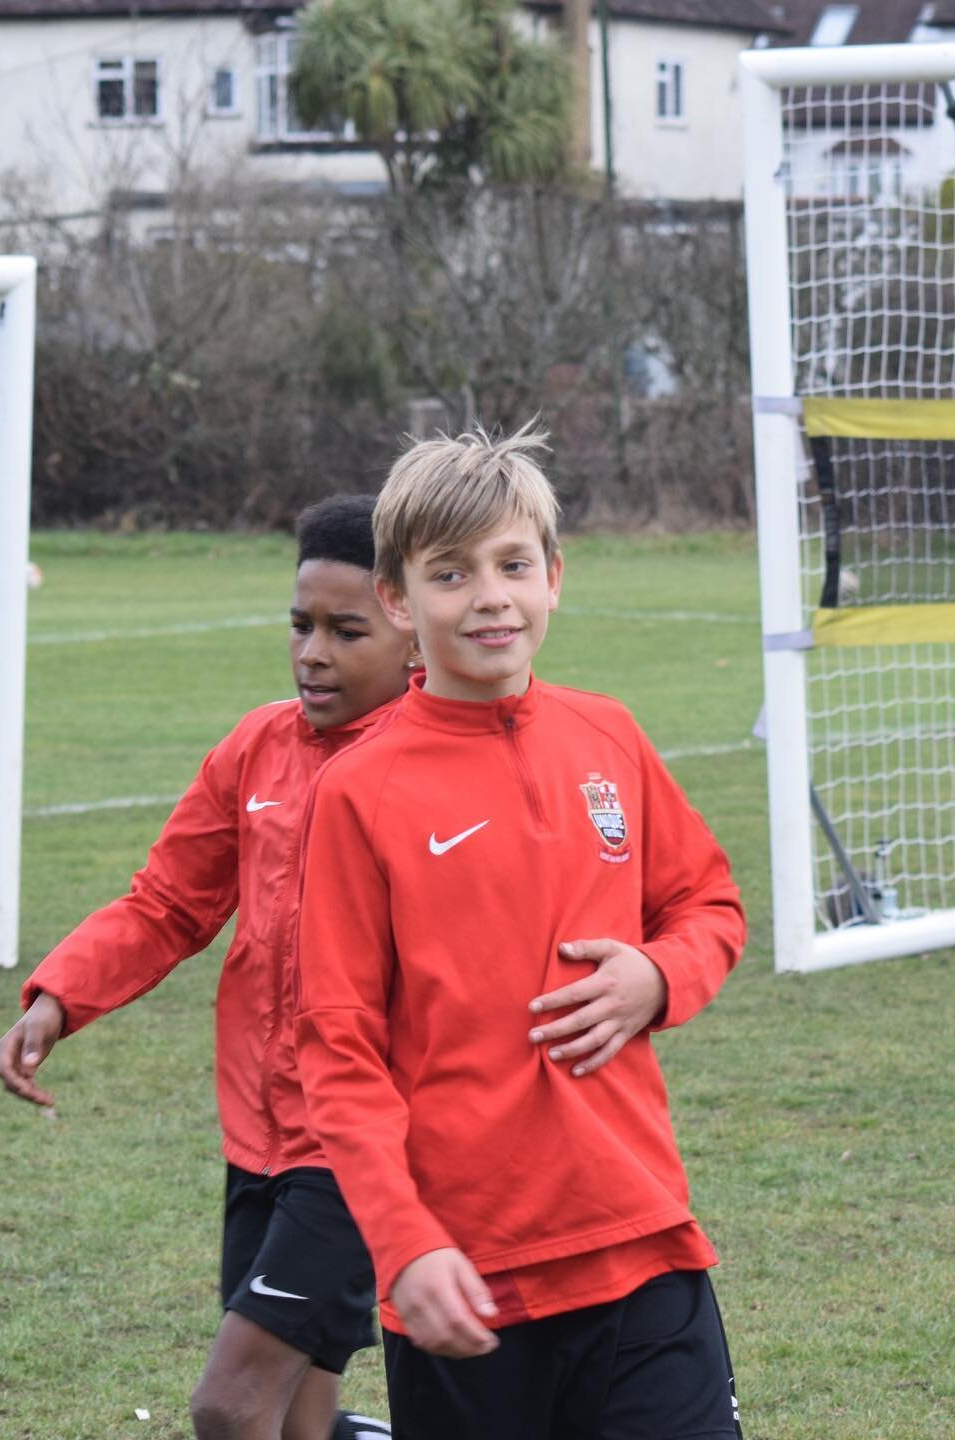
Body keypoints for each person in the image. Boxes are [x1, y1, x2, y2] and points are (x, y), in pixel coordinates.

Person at [294, 428, 747, 1438]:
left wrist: (659, 977)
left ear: (554, 577)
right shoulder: (360, 792)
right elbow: (337, 1045)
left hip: (643, 1244)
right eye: (451, 573)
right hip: (466, 1282)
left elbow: (709, 905)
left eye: (513, 564)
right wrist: (406, 1243)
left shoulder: (608, 737)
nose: (491, 596)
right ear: (400, 602)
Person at [0, 496, 410, 1440]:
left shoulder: (429, 765)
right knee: (300, 1425)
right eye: (301, 625)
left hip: (360, 1144)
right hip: (256, 1137)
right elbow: (169, 902)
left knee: (228, 1407)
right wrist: (61, 996)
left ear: (414, 634)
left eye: (348, 631)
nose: (313, 652)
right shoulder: (256, 748)